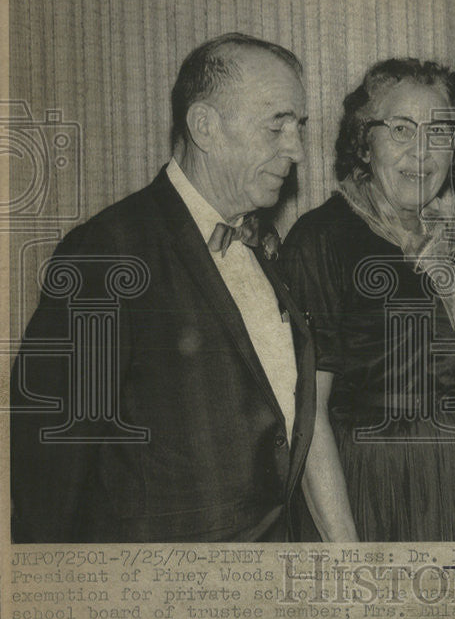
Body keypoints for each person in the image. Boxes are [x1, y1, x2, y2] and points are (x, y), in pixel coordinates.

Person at [11, 32, 315, 542]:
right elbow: (50, 470)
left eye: (299, 127)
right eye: (277, 126)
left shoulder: (263, 240)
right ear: (205, 127)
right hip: (159, 595)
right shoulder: (108, 252)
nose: (297, 150)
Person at [281, 58, 455, 542]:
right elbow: (306, 416)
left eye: (440, 132)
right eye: (401, 129)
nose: (422, 152)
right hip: (376, 486)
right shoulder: (322, 240)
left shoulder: (450, 243)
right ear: (364, 142)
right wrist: (347, 554)